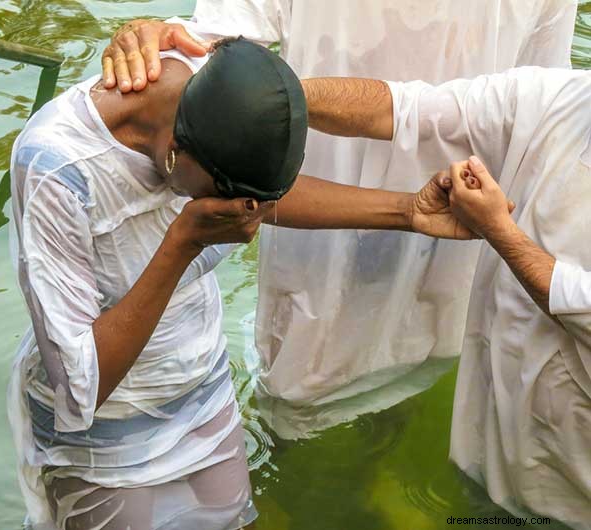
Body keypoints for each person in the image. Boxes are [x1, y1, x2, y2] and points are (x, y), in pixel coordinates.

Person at [7, 37, 477, 530]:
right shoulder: (56, 168)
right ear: (175, 152)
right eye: (230, 206)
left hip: (202, 394)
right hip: (106, 444)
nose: (248, 220)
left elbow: (261, 191)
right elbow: (80, 389)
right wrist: (180, 245)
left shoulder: (204, 78)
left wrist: (408, 211)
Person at [101, 2, 578, 427]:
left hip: (457, 216)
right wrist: (153, 44)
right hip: (314, 202)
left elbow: (538, 108)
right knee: (299, 382)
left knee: (427, 362)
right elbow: (210, 48)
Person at [298, 67, 591, 529]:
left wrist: (499, 231)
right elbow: (407, 109)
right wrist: (278, 91)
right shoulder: (564, 98)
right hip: (496, 451)